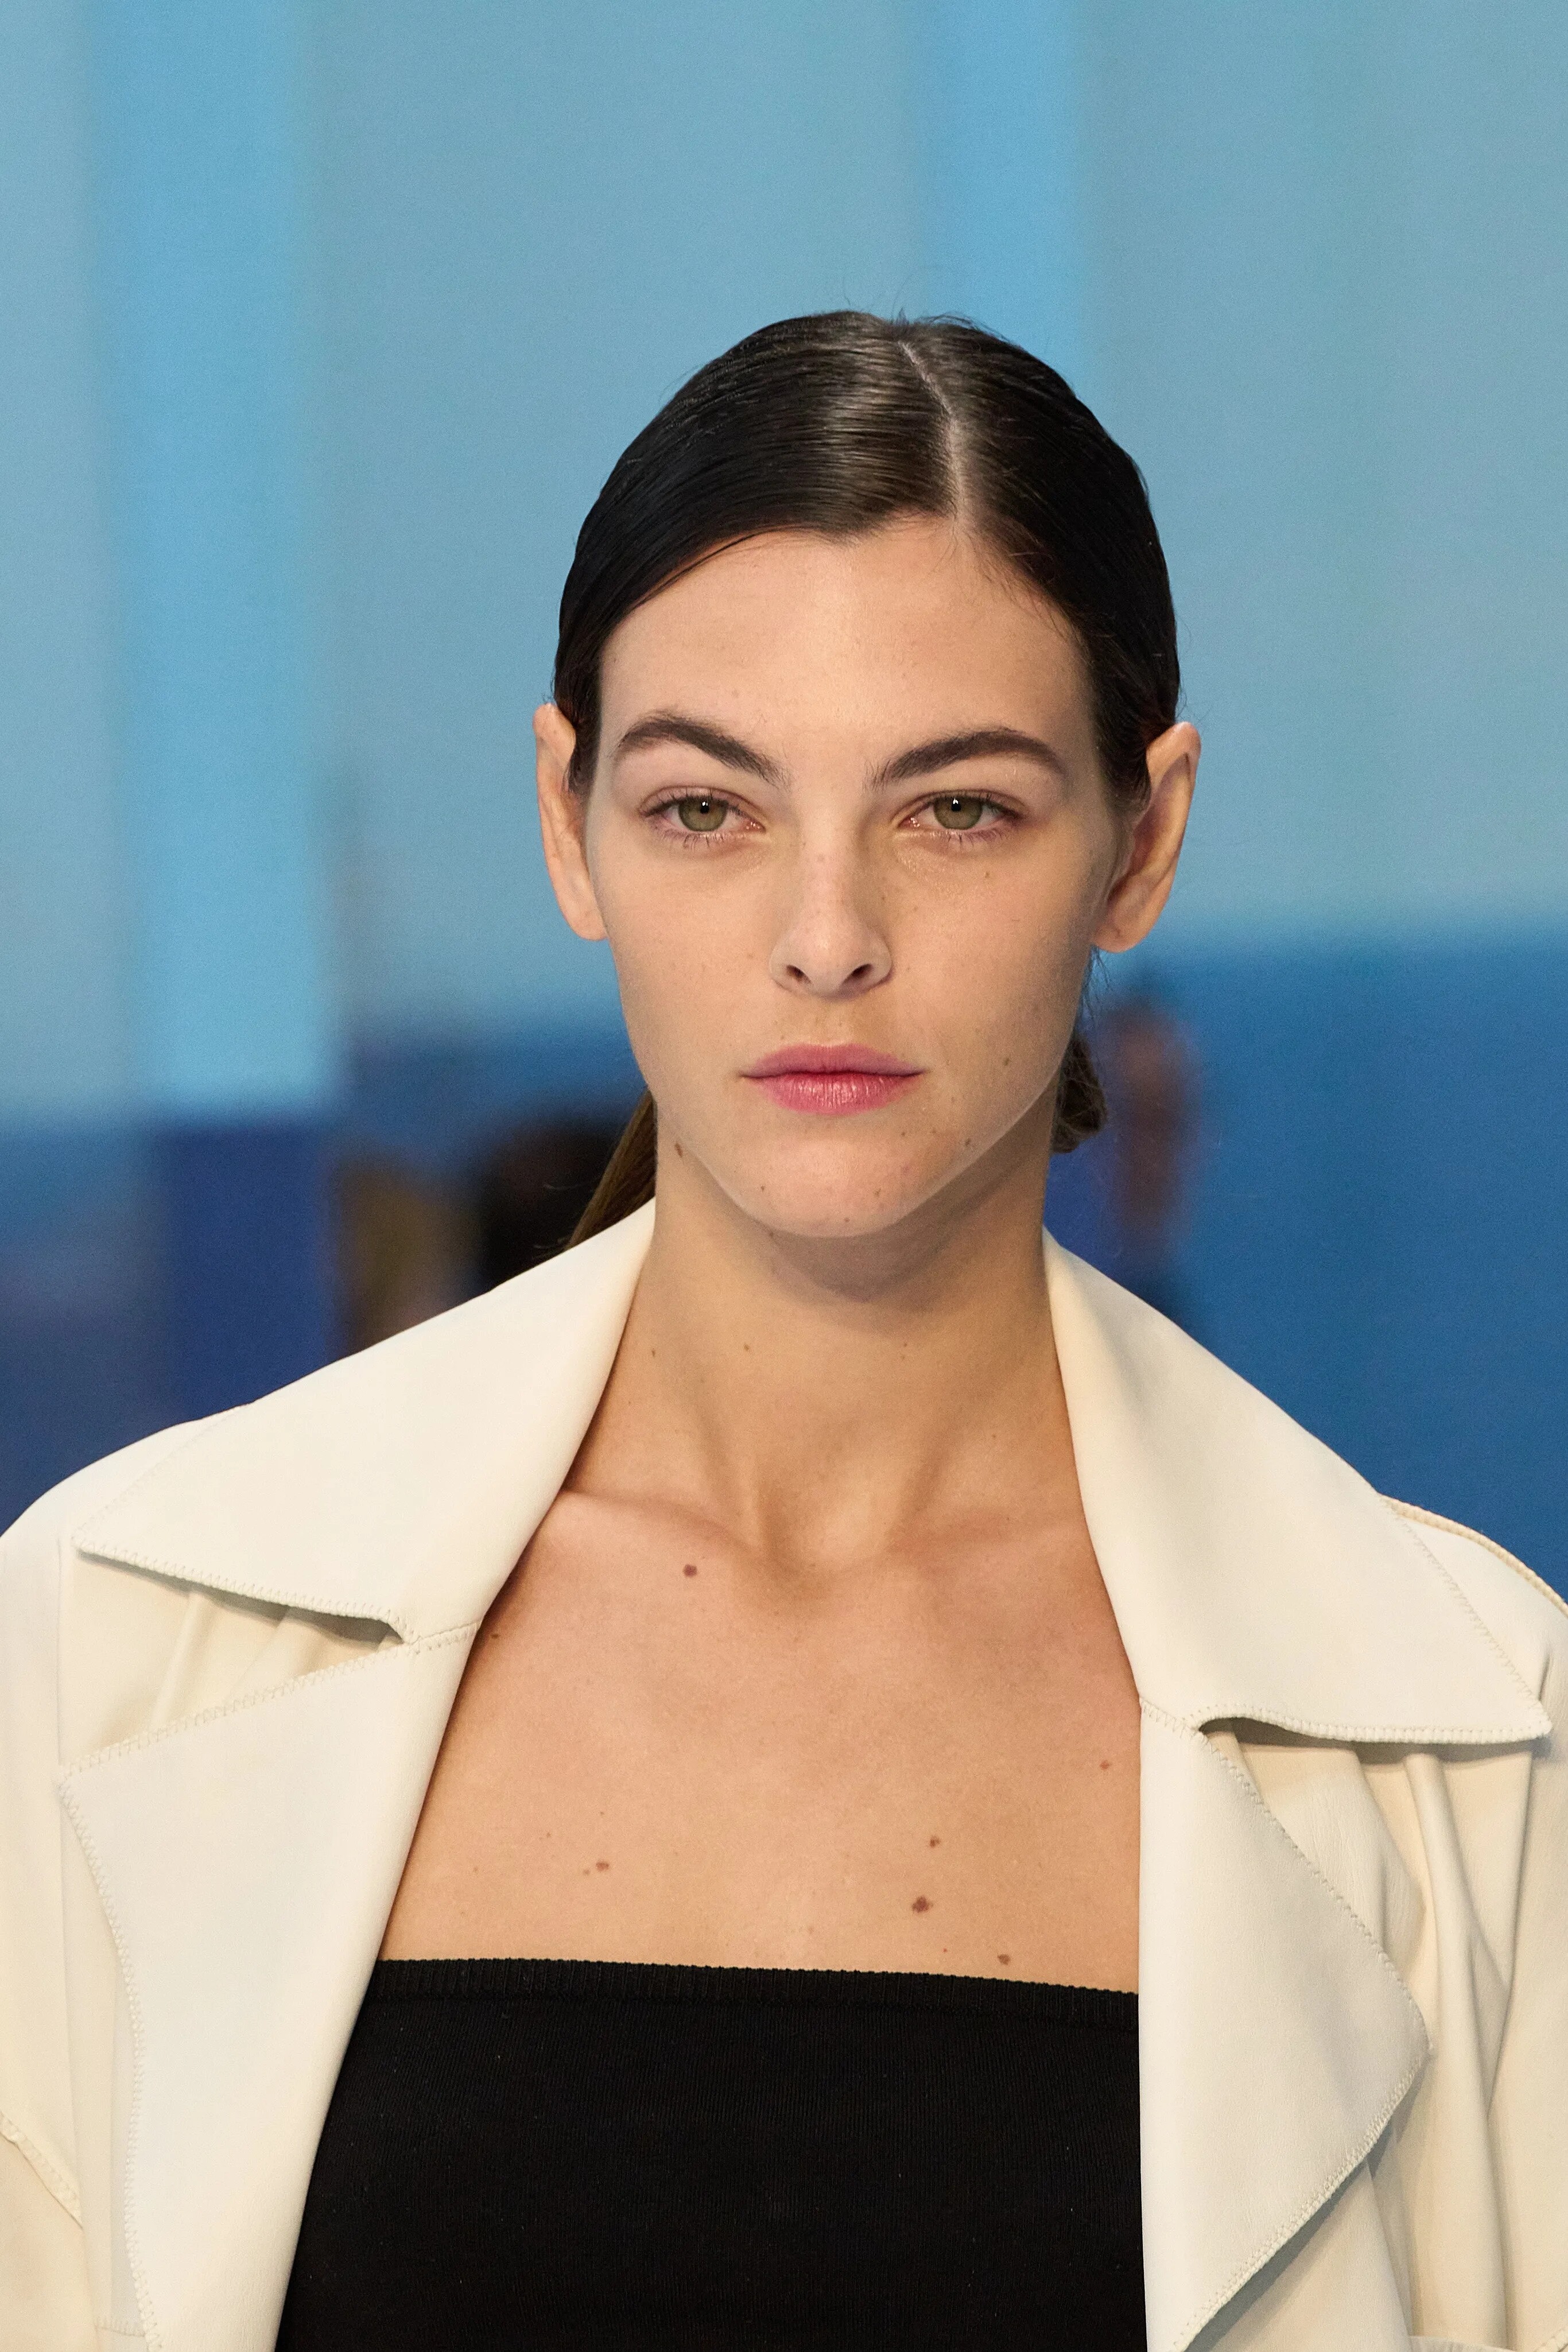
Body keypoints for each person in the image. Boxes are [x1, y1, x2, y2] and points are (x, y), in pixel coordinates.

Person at [2, 314, 1565, 2352]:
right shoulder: (111, 1632)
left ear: (1143, 838)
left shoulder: (1479, 1730)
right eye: (704, 808)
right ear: (566, 816)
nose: (827, 937)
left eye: (957, 809)